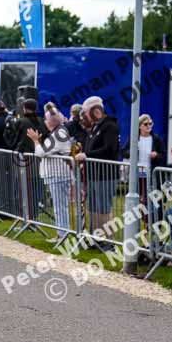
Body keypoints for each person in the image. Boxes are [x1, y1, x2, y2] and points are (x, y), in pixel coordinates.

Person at [75, 96, 120, 244]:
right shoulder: (95, 127)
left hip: (105, 174)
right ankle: (97, 238)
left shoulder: (110, 126)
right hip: (94, 174)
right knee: (93, 207)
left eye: (87, 112)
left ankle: (108, 239)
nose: (85, 116)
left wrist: (87, 155)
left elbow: (109, 148)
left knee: (103, 207)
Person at [28, 107, 73, 241]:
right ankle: (62, 233)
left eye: (46, 119)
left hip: (58, 174)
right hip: (57, 174)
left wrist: (36, 140)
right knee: (60, 206)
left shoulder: (59, 134)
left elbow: (41, 152)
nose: (45, 122)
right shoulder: (58, 132)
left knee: (60, 206)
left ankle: (63, 234)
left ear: (52, 121)